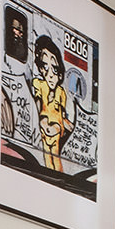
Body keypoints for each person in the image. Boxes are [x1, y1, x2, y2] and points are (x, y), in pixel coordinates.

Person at [28, 35, 77, 173]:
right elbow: (37, 104)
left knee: (55, 157)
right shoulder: (39, 85)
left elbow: (61, 113)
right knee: (46, 156)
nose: (50, 75)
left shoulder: (61, 92)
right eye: (45, 67)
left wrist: (66, 123)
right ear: (41, 69)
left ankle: (56, 176)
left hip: (55, 129)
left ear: (60, 74)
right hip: (44, 128)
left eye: (54, 70)